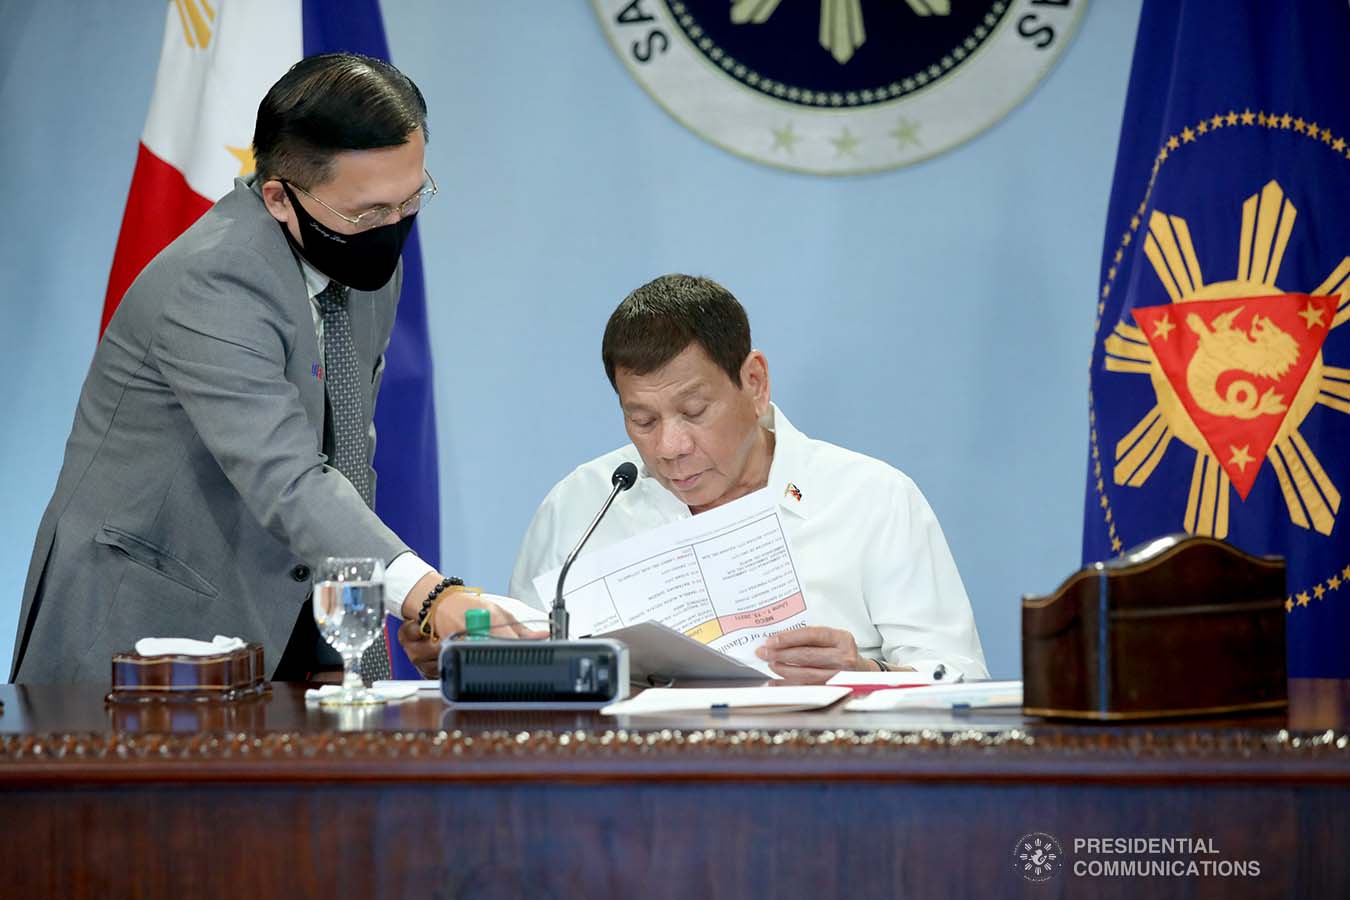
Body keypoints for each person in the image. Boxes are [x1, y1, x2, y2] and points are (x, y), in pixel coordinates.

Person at [10, 54, 522, 684]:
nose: (393, 227)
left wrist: (375, 627)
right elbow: (285, 473)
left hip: (288, 617)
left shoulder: (362, 264)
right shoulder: (215, 278)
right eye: (367, 213)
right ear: (280, 197)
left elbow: (347, 454)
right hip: (141, 632)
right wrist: (429, 596)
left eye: (411, 199)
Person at [400, 274, 987, 683]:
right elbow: (528, 677)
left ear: (753, 383)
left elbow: (959, 682)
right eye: (643, 419)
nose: (670, 448)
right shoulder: (583, 504)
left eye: (694, 412)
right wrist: (462, 661)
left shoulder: (871, 499)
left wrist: (867, 674)